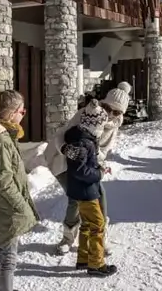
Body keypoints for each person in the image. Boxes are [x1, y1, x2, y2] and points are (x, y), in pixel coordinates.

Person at [45, 81, 131, 254]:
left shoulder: (114, 126)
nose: (111, 114)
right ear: (103, 103)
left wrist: (94, 160)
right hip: (62, 161)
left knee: (100, 194)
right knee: (75, 198)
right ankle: (67, 238)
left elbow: (104, 150)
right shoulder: (87, 114)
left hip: (87, 163)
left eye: (117, 112)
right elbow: (61, 134)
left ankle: (100, 236)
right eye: (108, 108)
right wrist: (65, 149)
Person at [0, 89, 39, 291]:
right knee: (9, 257)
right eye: (22, 111)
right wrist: (22, 206)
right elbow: (4, 182)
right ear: (11, 114)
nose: (24, 113)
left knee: (2, 250)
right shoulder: (1, 141)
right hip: (6, 208)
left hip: (0, 205)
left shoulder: (1, 136)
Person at [62, 100, 118, 277]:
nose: (102, 129)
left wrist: (99, 166)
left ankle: (84, 258)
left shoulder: (83, 139)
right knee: (97, 225)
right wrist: (99, 173)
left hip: (82, 189)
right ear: (94, 125)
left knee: (87, 224)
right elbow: (80, 170)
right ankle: (96, 264)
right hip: (86, 190)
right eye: (101, 125)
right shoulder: (82, 143)